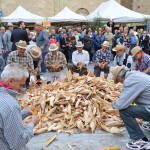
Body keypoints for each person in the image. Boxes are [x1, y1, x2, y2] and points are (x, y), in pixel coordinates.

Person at [0, 63, 40, 149]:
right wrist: (32, 124)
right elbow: (18, 143)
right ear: (11, 81)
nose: (21, 89)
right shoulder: (11, 105)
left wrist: (28, 111)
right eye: (21, 85)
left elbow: (5, 119)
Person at [111, 65, 150, 150]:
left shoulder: (129, 81)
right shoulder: (134, 74)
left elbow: (121, 105)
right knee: (139, 103)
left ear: (120, 77)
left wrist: (112, 104)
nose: (120, 83)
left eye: (118, 81)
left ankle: (141, 140)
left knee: (124, 111)